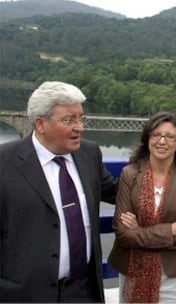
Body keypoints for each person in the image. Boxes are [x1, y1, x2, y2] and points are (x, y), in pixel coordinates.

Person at [0, 81, 118, 302]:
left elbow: (117, 192)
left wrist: (164, 173)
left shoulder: (89, 153)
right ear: (40, 124)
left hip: (84, 292)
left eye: (81, 118)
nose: (79, 127)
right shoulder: (4, 163)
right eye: (68, 120)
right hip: (25, 295)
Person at [108, 111, 176, 303]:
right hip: (133, 268)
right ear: (147, 138)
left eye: (170, 136)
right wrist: (170, 230)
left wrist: (139, 231)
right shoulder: (130, 174)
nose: (162, 141)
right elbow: (123, 233)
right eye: (156, 134)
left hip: (174, 272)